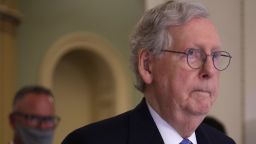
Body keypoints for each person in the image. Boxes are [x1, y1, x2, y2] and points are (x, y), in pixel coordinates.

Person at [62, 0, 235, 144]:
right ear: (147, 65)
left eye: (216, 55)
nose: (210, 70)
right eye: (193, 54)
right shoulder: (89, 142)